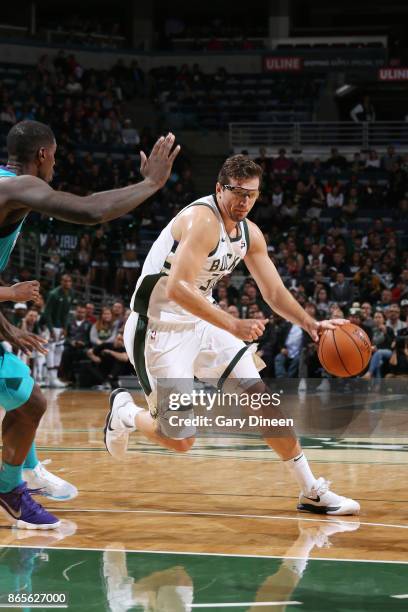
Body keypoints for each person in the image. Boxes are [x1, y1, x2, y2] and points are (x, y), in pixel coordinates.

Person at [105, 154, 359, 516]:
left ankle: (310, 490)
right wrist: (233, 324)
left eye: (251, 195)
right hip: (159, 329)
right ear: (219, 189)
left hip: (203, 323)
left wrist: (311, 325)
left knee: (263, 401)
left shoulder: (250, 234)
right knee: (181, 441)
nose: (243, 201)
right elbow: (177, 288)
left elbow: (272, 292)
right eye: (237, 192)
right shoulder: (201, 221)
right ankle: (126, 413)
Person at [0, 119, 179, 529]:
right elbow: (91, 209)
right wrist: (150, 184)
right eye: (55, 158)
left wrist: (7, 330)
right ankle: (12, 486)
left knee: (24, 395)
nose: (55, 167)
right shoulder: (20, 187)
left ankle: (23, 476)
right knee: (30, 403)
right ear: (43, 155)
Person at [42, 274, 75, 388]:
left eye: (69, 281)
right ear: (61, 282)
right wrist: (50, 329)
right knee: (50, 349)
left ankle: (54, 377)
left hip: (61, 327)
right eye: (65, 281)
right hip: (51, 326)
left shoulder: (71, 293)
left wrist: (65, 327)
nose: (67, 283)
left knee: (59, 349)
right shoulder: (53, 294)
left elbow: (67, 313)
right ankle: (50, 378)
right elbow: (47, 313)